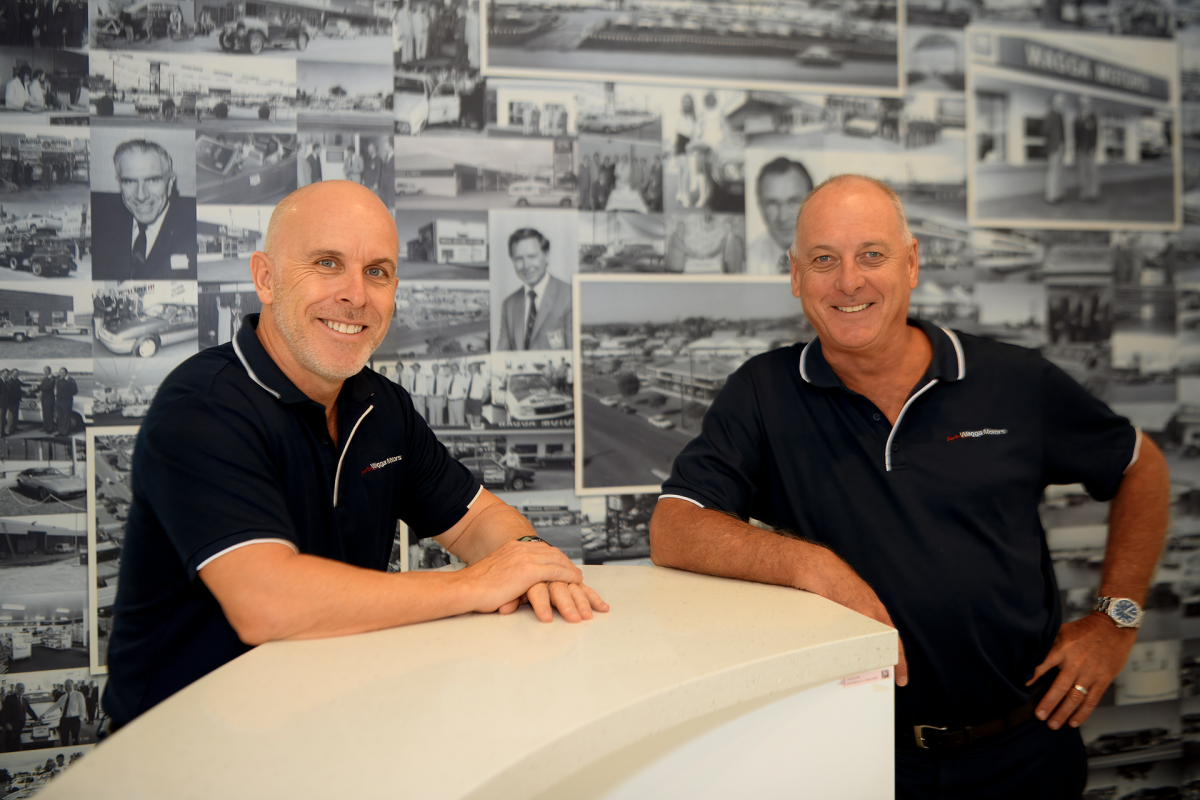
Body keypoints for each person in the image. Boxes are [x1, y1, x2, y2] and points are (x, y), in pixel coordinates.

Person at [649, 174, 1169, 799]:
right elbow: (674, 525)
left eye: (872, 255)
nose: (849, 281)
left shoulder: (1010, 379)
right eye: (824, 260)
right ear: (794, 275)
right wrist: (809, 564)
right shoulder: (763, 391)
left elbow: (1142, 465)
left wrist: (1117, 619)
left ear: (912, 262)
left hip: (1026, 748)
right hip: (856, 759)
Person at [101, 181, 606, 729]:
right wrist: (476, 584)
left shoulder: (379, 404)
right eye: (326, 263)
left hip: (325, 721)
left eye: (377, 271)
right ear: (265, 278)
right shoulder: (203, 405)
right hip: (182, 753)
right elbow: (265, 602)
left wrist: (531, 561)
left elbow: (477, 517)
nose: (355, 295)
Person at [91, 140, 197, 281]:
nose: (141, 195)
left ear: (170, 183)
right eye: (129, 181)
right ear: (119, 183)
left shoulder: (192, 230)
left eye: (152, 180)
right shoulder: (101, 227)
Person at [497, 228, 572, 351]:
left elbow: (575, 357)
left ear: (546, 256)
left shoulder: (570, 295)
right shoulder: (508, 304)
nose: (526, 266)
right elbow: (501, 357)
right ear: (512, 261)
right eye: (518, 259)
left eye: (532, 257)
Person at [749, 157, 813, 275]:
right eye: (772, 204)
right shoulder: (749, 257)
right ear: (760, 206)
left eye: (793, 202)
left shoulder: (837, 258)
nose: (782, 217)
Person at [44, 679, 85, 746]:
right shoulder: (63, 697)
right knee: (64, 739)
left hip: (74, 719)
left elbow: (83, 708)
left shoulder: (78, 695)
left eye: (69, 686)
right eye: (65, 686)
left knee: (75, 739)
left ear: (73, 686)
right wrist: (44, 714)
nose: (67, 688)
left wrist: (80, 719)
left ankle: (75, 754)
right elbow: (54, 706)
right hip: (64, 720)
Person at [1074, 95, 1100, 202]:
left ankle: (1093, 192)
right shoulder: (1078, 117)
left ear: (1089, 103)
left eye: (1086, 102)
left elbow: (1095, 133)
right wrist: (1076, 149)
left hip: (1089, 148)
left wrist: (1093, 147)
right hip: (1080, 149)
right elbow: (1076, 134)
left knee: (1092, 171)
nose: (1084, 104)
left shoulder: (1092, 116)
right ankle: (1084, 192)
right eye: (1082, 103)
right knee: (1082, 171)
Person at [2, 682, 38, 753]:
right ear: (15, 689)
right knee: (9, 747)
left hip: (20, 727)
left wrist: (37, 719)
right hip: (11, 727)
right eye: (19, 688)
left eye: (23, 688)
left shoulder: (24, 700)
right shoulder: (9, 698)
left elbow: (29, 710)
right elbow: (4, 712)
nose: (21, 690)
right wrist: (6, 723)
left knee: (17, 746)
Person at [1045, 93, 1066, 205]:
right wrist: (1052, 143)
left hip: (1060, 147)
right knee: (1053, 172)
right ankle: (1051, 196)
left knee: (1059, 172)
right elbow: (1045, 131)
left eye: (1062, 102)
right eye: (1058, 101)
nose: (1060, 103)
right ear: (1053, 101)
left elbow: (1063, 132)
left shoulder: (1060, 115)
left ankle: (1058, 194)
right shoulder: (1050, 114)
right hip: (1053, 148)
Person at [53, 367, 76, 436]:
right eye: (61, 372)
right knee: (60, 417)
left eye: (63, 372)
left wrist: (67, 395)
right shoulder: (58, 380)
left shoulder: (70, 380)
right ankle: (60, 432)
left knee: (66, 417)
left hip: (67, 401)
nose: (62, 373)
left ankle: (65, 432)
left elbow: (75, 391)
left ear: (66, 372)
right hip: (59, 401)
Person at [447, 362, 469, 427]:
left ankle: (460, 436)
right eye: (452, 368)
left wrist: (462, 398)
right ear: (450, 369)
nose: (453, 370)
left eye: (455, 368)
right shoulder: (449, 378)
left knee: (459, 420)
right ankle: (452, 436)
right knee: (451, 421)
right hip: (450, 401)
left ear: (458, 369)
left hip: (458, 401)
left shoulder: (462, 378)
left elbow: (466, 389)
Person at [4, 369, 24, 436]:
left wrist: (34, 386)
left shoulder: (17, 380)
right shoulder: (10, 381)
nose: (17, 374)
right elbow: (10, 392)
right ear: (12, 373)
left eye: (17, 373)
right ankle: (10, 429)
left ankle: (15, 427)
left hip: (16, 400)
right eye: (15, 373)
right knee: (11, 416)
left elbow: (22, 385)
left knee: (16, 414)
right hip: (12, 401)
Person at [38, 366, 54, 434]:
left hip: (49, 398)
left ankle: (50, 429)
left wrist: (38, 387)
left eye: (46, 370)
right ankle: (45, 427)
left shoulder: (52, 378)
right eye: (44, 370)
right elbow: (41, 386)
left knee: (49, 414)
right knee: (45, 413)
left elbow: (47, 387)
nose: (45, 372)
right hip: (44, 398)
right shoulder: (44, 378)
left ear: (49, 371)